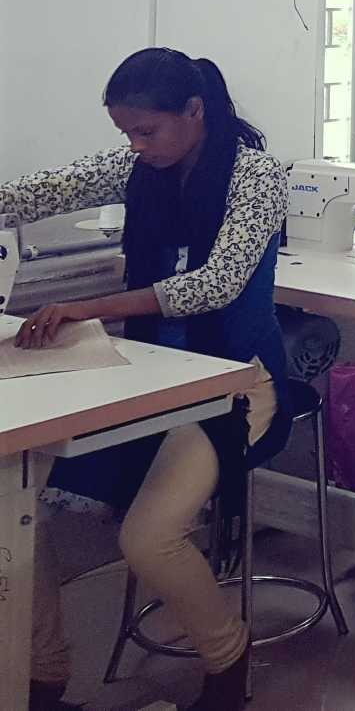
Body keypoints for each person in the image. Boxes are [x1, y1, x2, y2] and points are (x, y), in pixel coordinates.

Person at [6, 48, 294, 711]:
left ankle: (227, 654)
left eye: (147, 131)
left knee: (148, 535)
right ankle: (45, 671)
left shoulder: (255, 177)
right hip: (147, 378)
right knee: (13, 509)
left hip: (235, 385)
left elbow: (215, 285)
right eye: (126, 134)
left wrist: (89, 307)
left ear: (195, 112)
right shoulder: (139, 165)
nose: (136, 146)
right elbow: (41, 191)